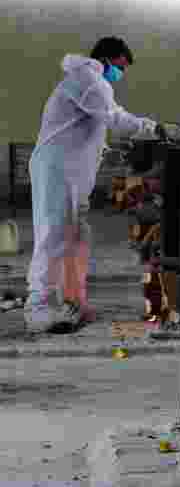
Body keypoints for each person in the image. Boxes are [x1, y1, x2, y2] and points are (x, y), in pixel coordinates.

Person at [24, 36, 166, 334]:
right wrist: (156, 128)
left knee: (72, 238)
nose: (121, 74)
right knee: (52, 235)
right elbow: (114, 117)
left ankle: (68, 302)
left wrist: (111, 151)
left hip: (68, 171)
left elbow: (90, 129)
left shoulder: (87, 82)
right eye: (121, 67)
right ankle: (37, 309)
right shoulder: (90, 80)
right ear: (108, 58)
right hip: (58, 170)